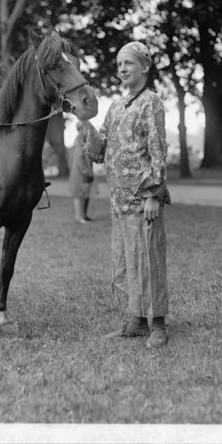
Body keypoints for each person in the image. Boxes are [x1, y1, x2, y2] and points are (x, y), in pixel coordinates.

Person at [79, 41, 171, 349]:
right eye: (119, 64)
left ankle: (157, 323)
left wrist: (154, 195)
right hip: (117, 200)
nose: (121, 69)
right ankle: (135, 321)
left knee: (148, 260)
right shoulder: (116, 106)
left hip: (142, 199)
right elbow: (100, 149)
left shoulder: (152, 102)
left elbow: (158, 149)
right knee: (125, 262)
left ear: (144, 67)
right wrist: (83, 122)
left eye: (128, 63)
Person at [69, 120, 95, 224]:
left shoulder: (81, 139)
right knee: (79, 195)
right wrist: (87, 172)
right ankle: (79, 217)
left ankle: (83, 215)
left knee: (84, 194)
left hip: (80, 170)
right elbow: (79, 159)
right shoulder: (80, 140)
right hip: (80, 171)